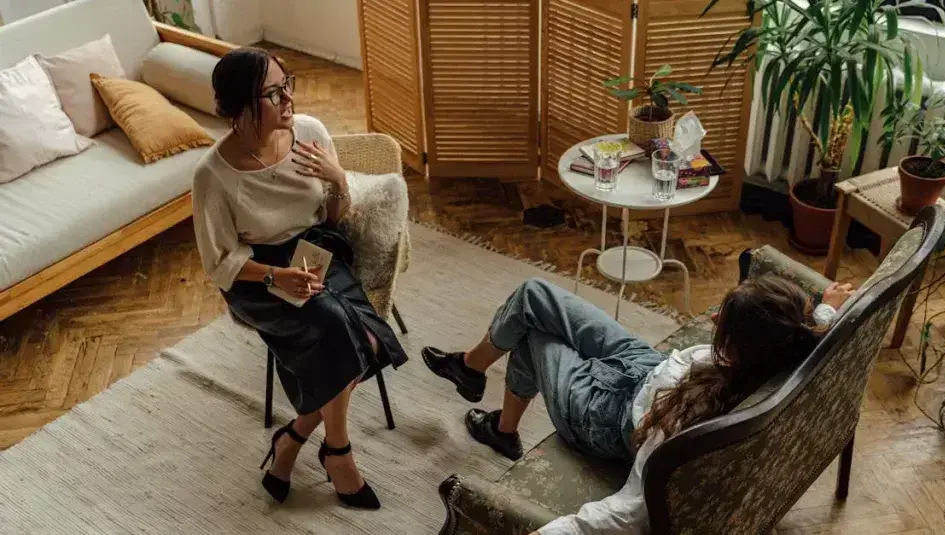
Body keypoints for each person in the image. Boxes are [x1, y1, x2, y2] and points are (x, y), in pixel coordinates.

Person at [422, 276, 855, 533]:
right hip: (646, 366)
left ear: (740, 348)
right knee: (533, 295)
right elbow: (810, 331)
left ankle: (500, 425)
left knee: (530, 335)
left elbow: (634, 510)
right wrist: (826, 311)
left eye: (721, 324)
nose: (711, 319)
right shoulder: (792, 349)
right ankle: (471, 371)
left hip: (603, 415)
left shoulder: (688, 417)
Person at [192, 47, 408, 510]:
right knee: (337, 327)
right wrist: (275, 278)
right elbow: (219, 262)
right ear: (240, 107)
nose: (288, 98)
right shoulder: (212, 175)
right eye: (273, 93)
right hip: (256, 276)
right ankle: (339, 453)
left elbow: (332, 218)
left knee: (369, 343)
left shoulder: (309, 133)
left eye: (287, 83)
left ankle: (294, 438)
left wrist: (339, 180)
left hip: (316, 251)